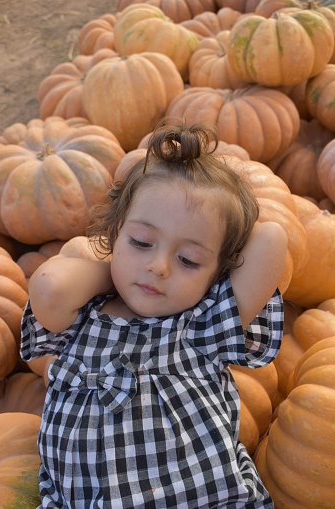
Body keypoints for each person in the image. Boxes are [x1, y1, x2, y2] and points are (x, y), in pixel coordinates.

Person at [21, 120, 288, 509]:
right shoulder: (83, 319)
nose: (159, 266)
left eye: (188, 259)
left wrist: (210, 267)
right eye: (142, 241)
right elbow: (49, 286)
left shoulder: (203, 325)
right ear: (114, 233)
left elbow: (273, 238)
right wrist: (113, 271)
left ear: (218, 273)